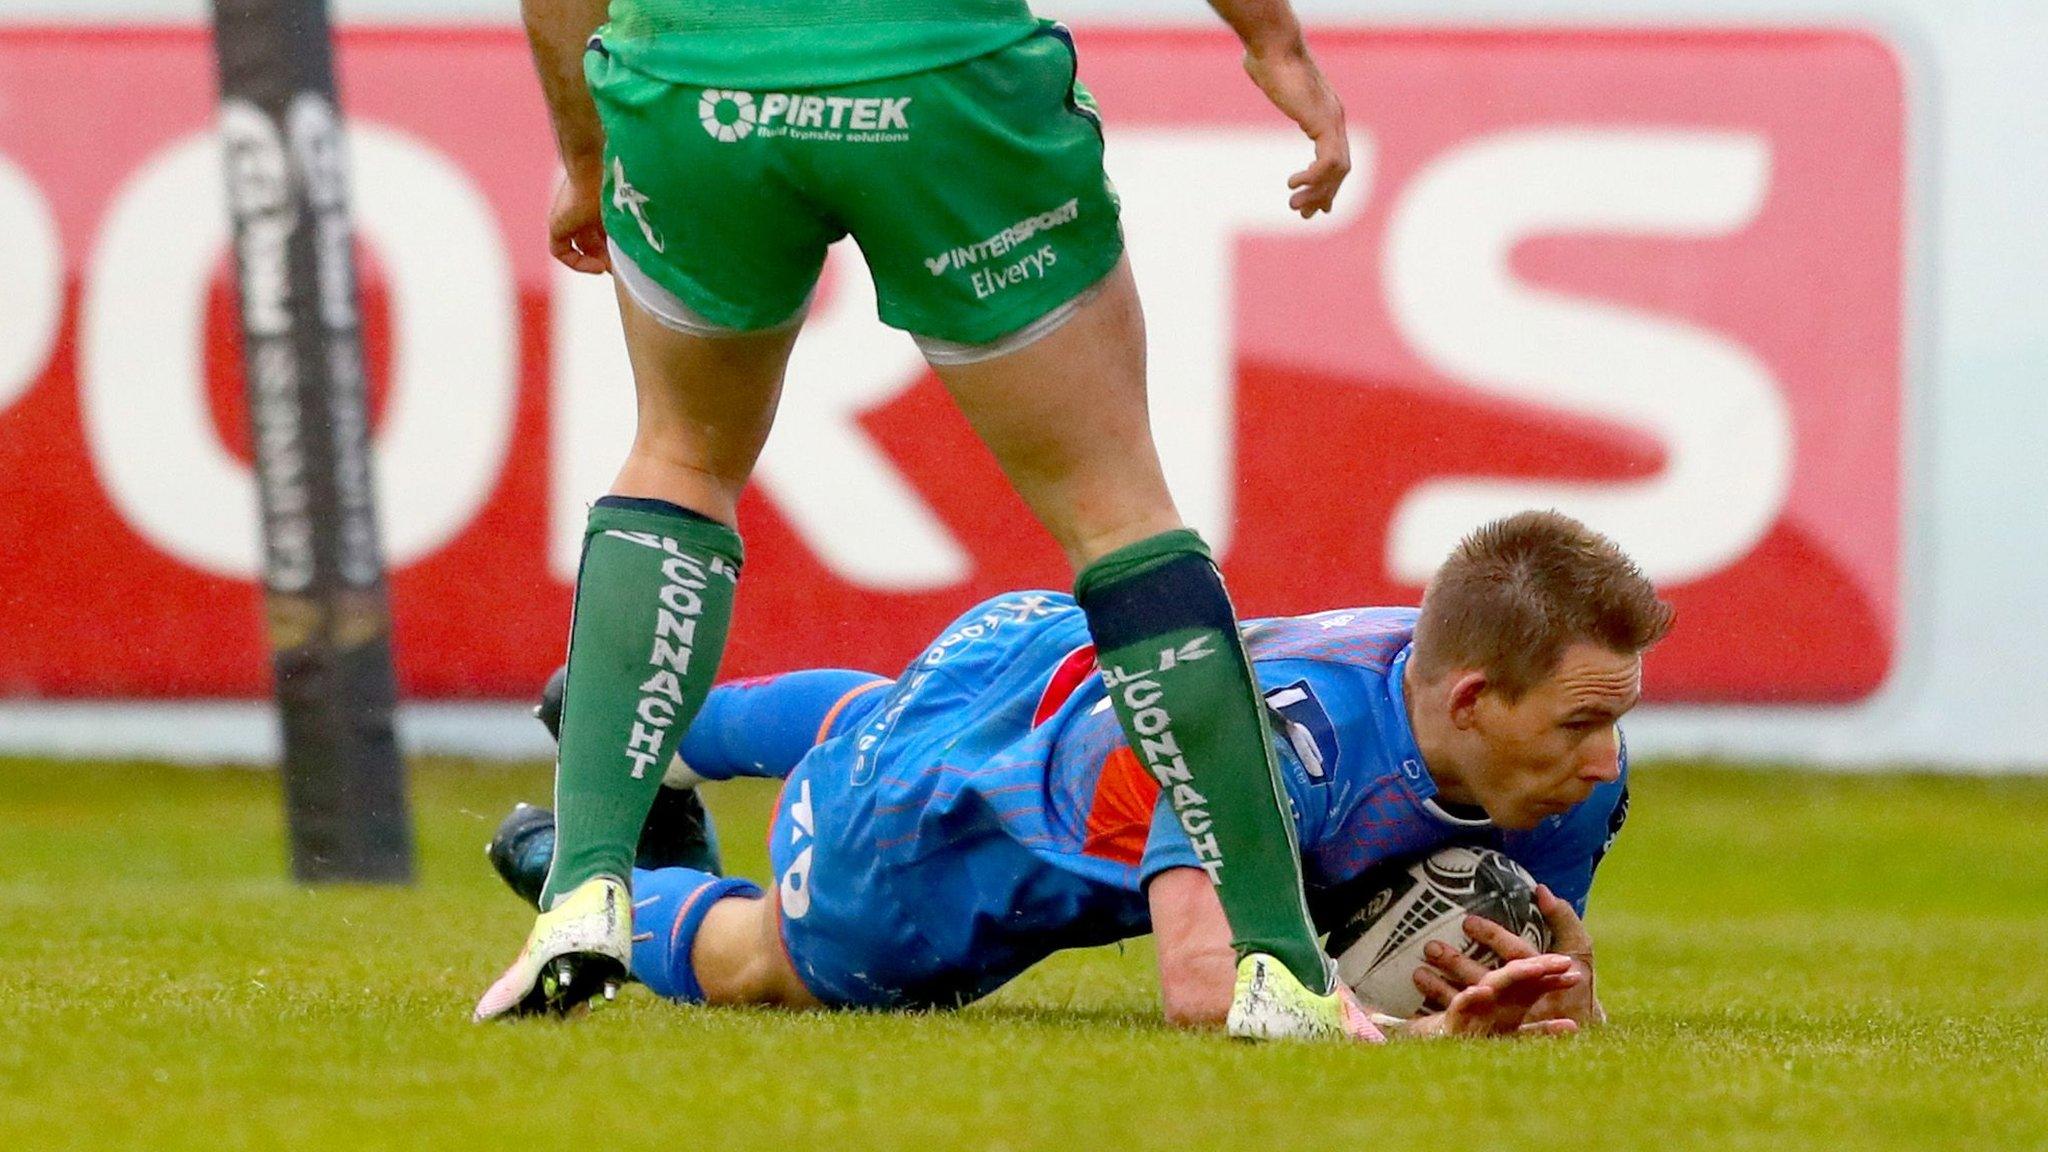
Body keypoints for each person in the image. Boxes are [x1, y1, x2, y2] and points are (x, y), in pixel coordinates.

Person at [480, 0, 1358, 1034]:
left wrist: (586, 153)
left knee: (677, 457)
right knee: (1117, 511)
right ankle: (1281, 967)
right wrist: (1271, 42)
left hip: (693, 82)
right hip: (938, 73)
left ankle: (585, 890)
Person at [486, 511, 1668, 1037]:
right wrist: (1415, 1041)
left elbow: (1541, 975)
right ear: (1470, 702)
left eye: (1613, 720)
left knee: (874, 712)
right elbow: (1205, 987)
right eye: (1577, 724)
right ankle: (573, 876)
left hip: (1043, 654)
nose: (1605, 760)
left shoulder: (1549, 756)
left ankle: (655, 737)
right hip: (945, 839)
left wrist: (1571, 996)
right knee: (771, 967)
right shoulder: (1274, 754)